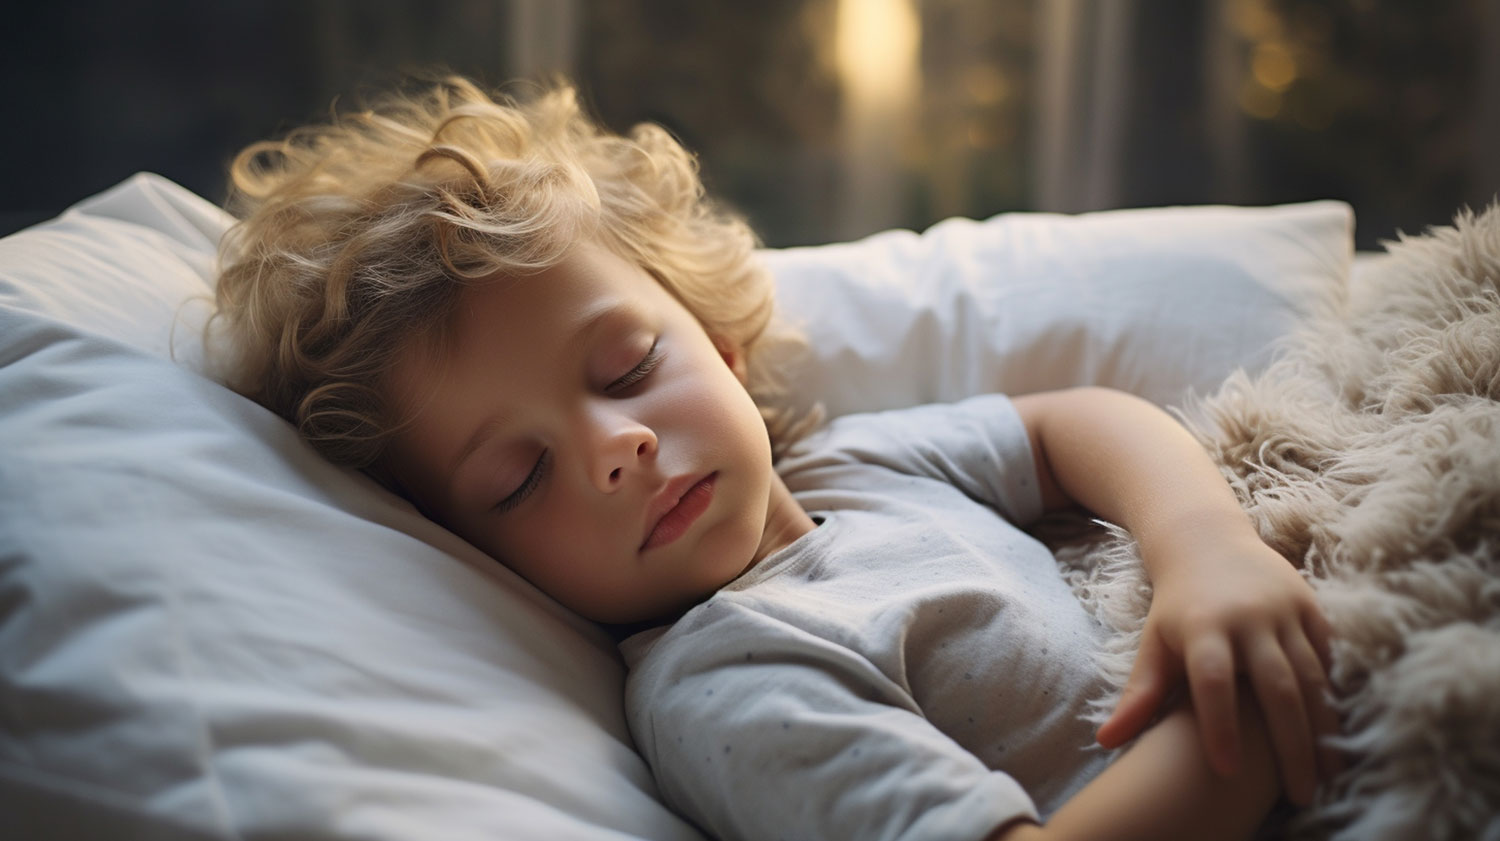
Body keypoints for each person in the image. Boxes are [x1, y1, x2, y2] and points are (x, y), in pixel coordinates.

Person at [212, 75, 1340, 841]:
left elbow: (1070, 423)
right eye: (520, 477)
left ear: (723, 342)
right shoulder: (727, 683)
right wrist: (1243, 719)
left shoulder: (856, 468)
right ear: (474, 556)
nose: (619, 446)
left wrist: (1208, 549)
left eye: (625, 369)